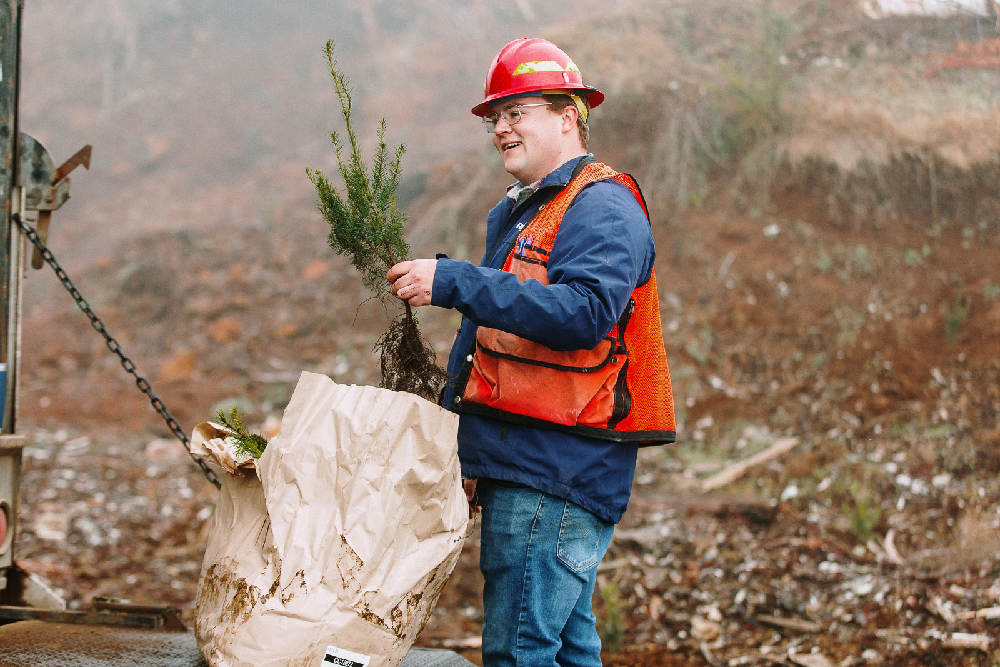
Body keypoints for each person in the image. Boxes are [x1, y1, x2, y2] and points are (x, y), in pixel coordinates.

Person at [387, 37, 675, 667]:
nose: (501, 127)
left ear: (569, 115)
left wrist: (454, 281)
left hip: (556, 473)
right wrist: (469, 447)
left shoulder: (603, 204)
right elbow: (495, 346)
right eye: (496, 116)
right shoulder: (524, 213)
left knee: (520, 653)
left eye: (518, 110)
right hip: (532, 464)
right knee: (567, 651)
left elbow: (584, 315)